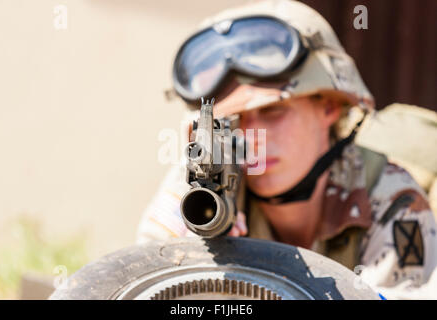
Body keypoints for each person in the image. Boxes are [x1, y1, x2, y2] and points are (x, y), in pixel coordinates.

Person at [136, 0, 437, 299]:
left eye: (272, 111)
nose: (253, 136)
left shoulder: (390, 199)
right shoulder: (203, 188)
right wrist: (198, 266)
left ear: (329, 107)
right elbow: (138, 277)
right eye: (235, 119)